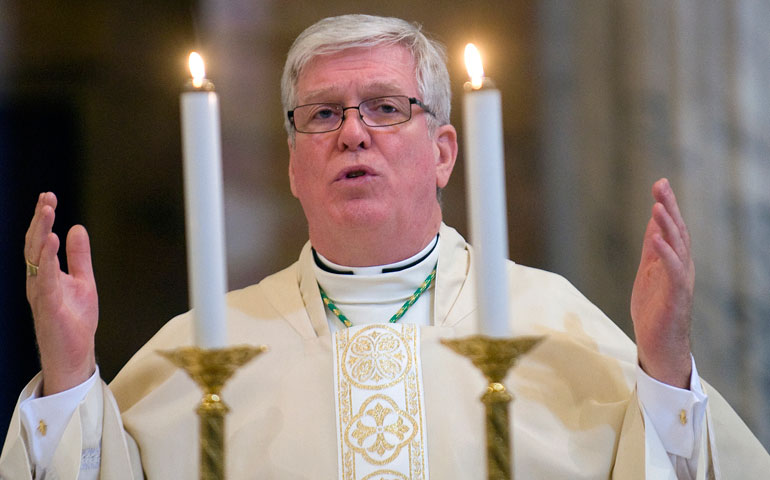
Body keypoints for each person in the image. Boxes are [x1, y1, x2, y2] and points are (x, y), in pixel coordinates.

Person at [1, 14, 768, 480]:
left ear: (442, 152)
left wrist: (666, 367)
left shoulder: (554, 323)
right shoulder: (203, 352)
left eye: (384, 107)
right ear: (293, 163)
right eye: (323, 115)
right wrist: (69, 372)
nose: (353, 132)